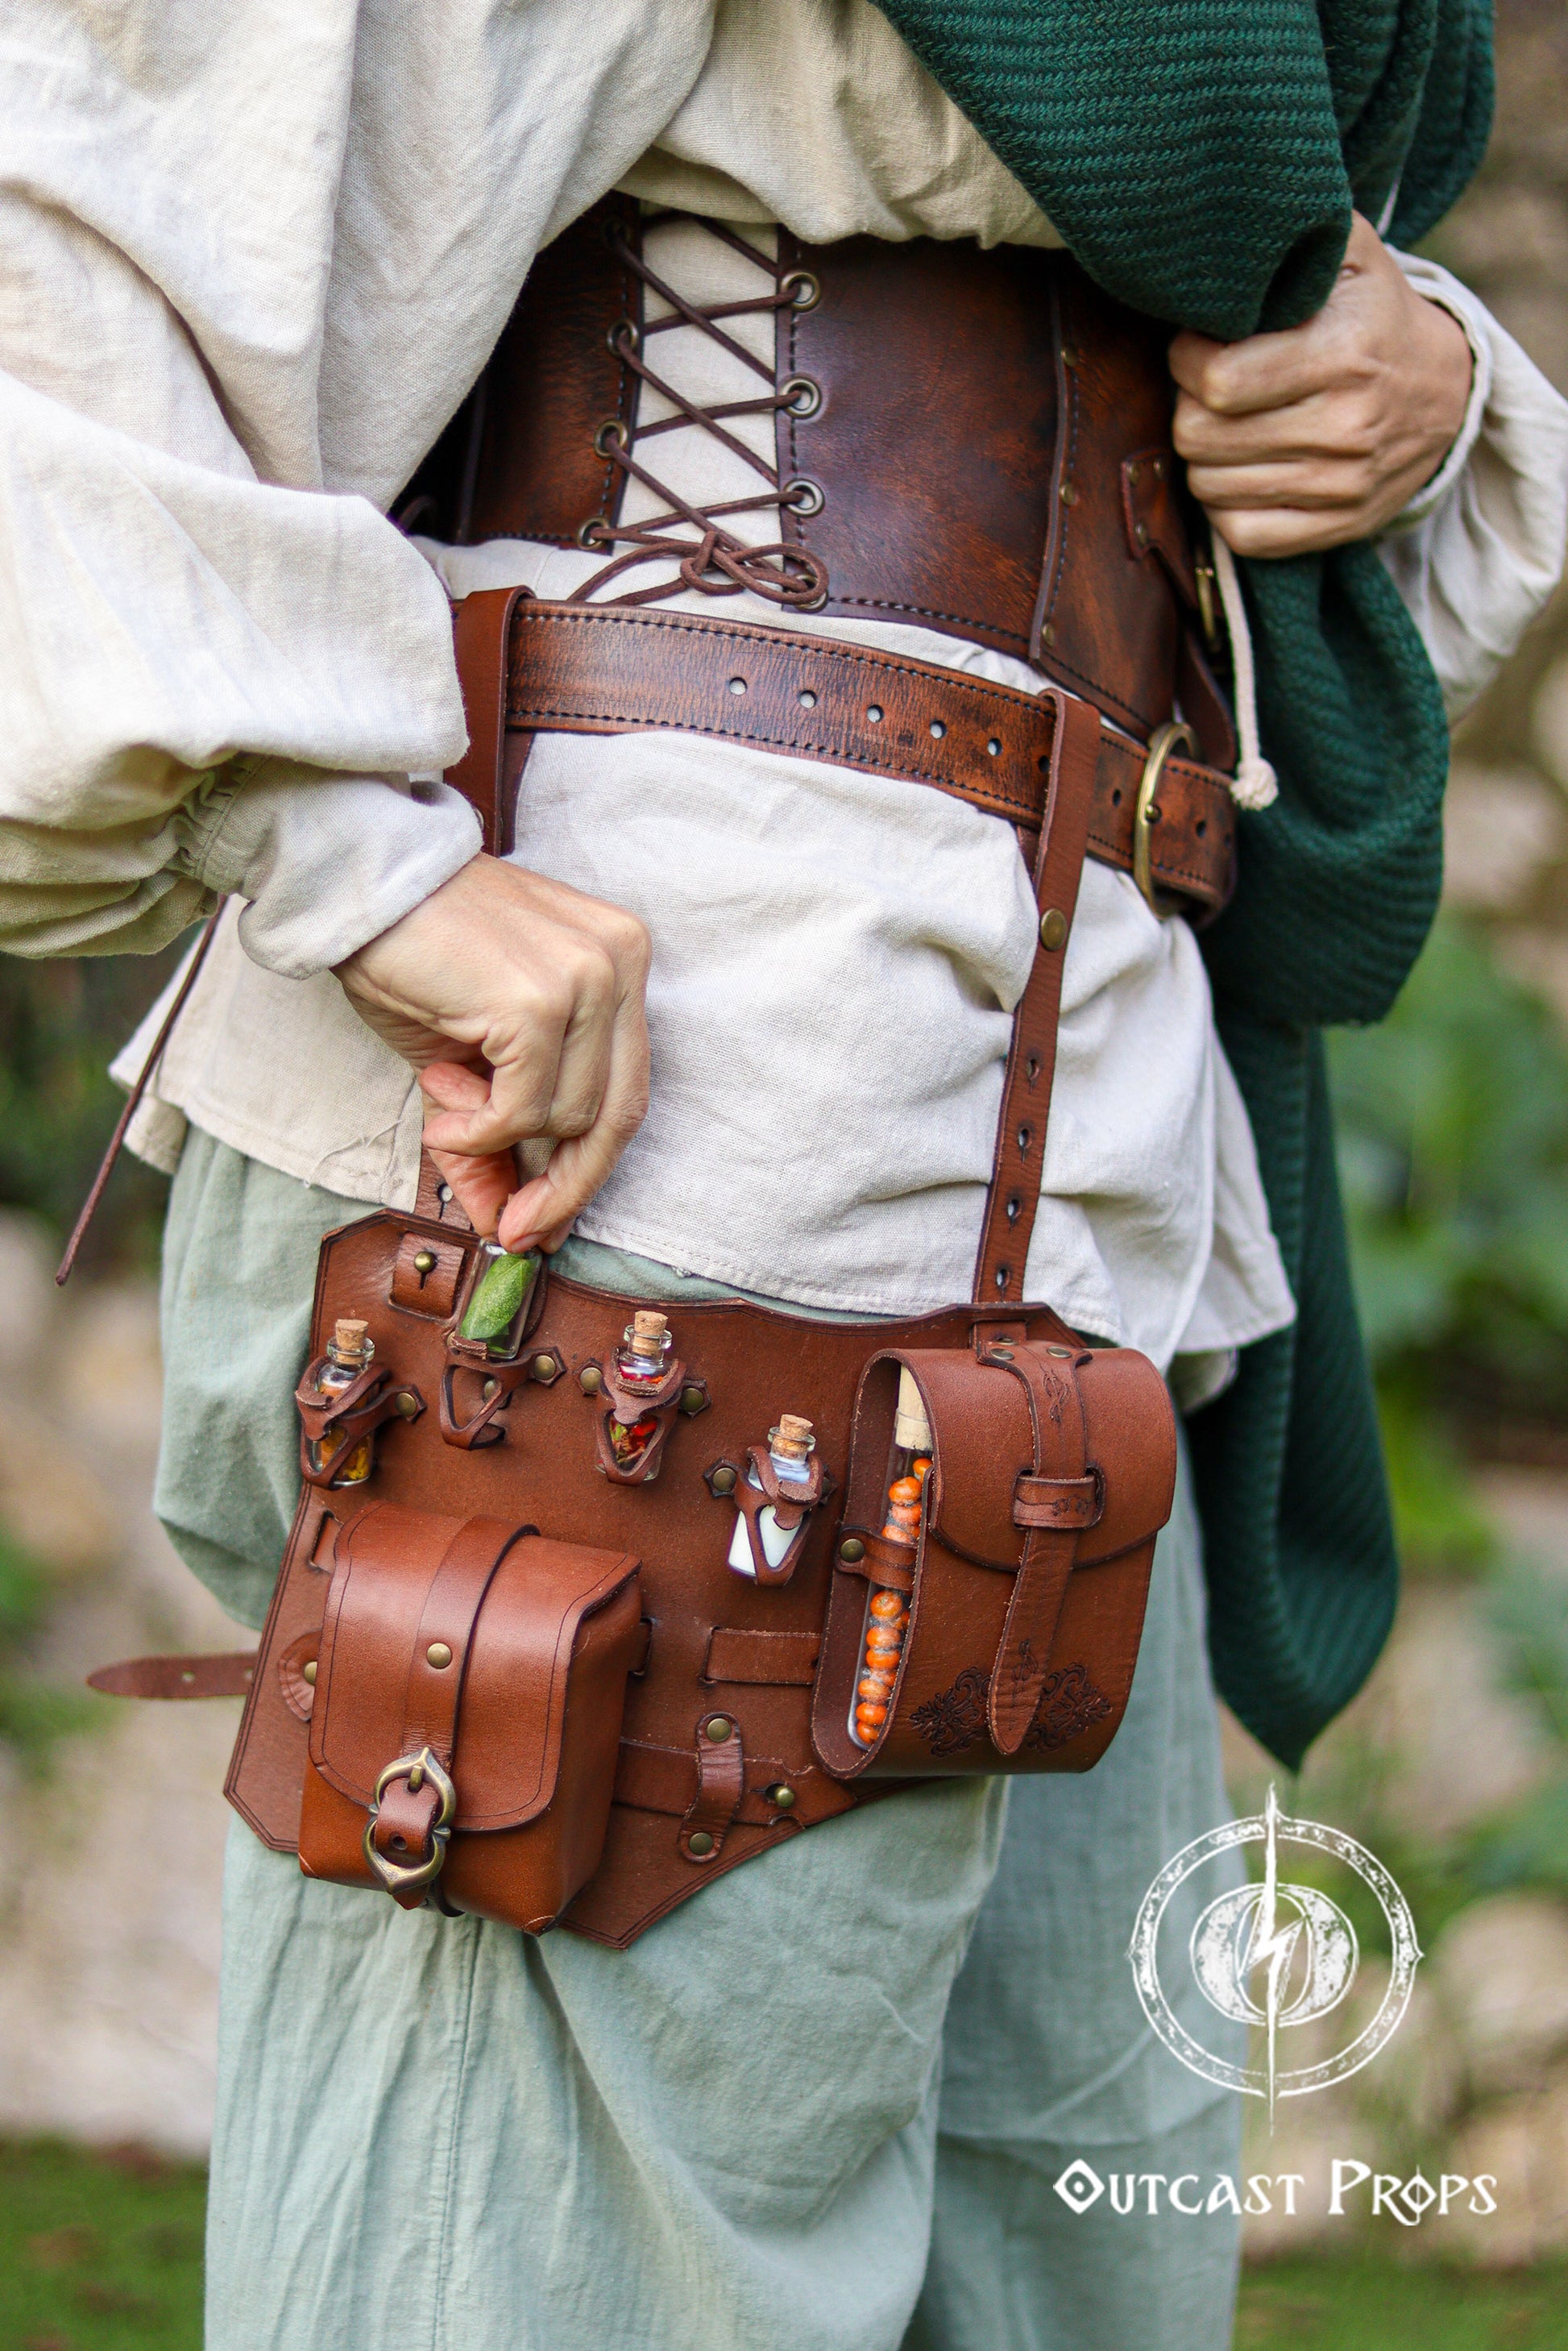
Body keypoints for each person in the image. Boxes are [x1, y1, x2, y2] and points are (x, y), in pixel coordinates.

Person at [5, 5, 1566, 2347]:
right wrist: (339, 852)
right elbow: (94, 169)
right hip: (630, 1148)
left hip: (1078, 1153)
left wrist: (1403, 373)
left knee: (1061, 2269)